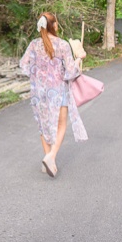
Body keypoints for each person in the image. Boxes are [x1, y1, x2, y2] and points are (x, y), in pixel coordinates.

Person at [19, 12, 87, 178]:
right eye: (56, 23)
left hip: (39, 92)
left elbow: (23, 65)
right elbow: (71, 71)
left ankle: (47, 159)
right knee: (61, 125)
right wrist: (79, 59)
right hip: (58, 91)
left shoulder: (34, 44)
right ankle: (51, 156)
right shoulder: (62, 45)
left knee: (44, 126)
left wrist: (37, 75)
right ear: (53, 25)